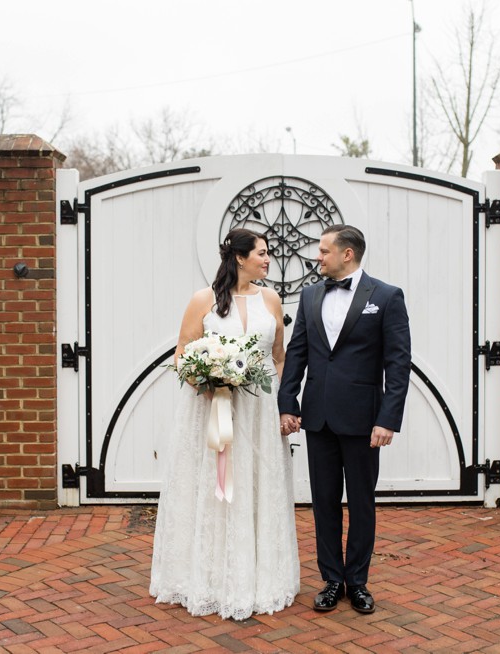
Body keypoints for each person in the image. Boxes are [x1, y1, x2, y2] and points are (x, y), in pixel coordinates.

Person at [149, 228, 300, 621]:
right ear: (239, 257)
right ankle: (211, 578)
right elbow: (183, 354)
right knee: (215, 489)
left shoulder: (271, 298)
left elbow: (279, 356)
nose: (268, 260)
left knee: (258, 485)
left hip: (260, 410)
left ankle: (260, 576)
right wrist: (211, 382)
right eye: (262, 253)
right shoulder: (203, 300)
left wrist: (280, 402)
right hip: (212, 408)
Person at [278, 224, 411, 614]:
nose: (317, 257)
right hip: (317, 417)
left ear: (347, 254)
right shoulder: (309, 295)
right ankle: (331, 579)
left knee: (362, 502)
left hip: (363, 419)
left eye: (323, 251)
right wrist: (289, 404)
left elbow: (398, 362)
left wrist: (388, 418)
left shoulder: (386, 297)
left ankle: (358, 582)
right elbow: (297, 352)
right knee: (323, 502)